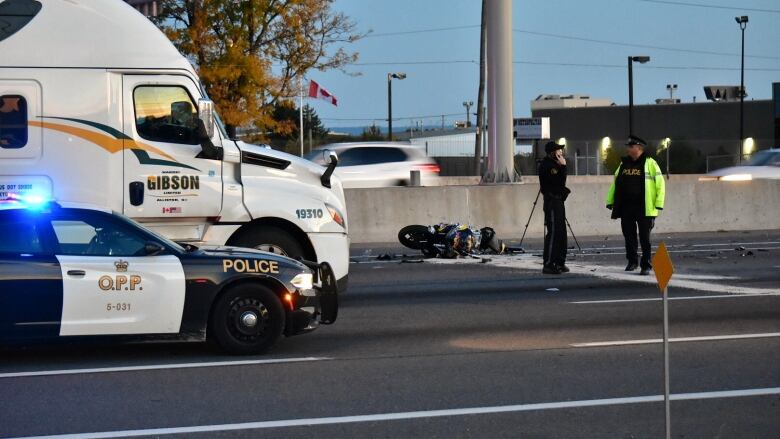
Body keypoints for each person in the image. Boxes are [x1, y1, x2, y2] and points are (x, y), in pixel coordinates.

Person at [605, 135, 666, 275]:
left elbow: (660, 184)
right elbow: (616, 183)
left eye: (630, 146)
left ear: (639, 148)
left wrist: (659, 203)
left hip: (644, 207)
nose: (628, 148)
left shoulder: (650, 163)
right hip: (627, 207)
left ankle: (646, 265)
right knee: (629, 235)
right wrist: (610, 200)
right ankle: (632, 261)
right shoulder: (623, 164)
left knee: (645, 237)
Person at [539, 141, 570, 274]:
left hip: (558, 201)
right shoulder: (548, 165)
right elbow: (558, 182)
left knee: (562, 233)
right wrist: (563, 167)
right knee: (554, 233)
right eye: (558, 151)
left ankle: (559, 261)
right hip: (552, 202)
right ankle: (549, 263)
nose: (561, 153)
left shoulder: (555, 165)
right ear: (552, 153)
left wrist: (562, 167)